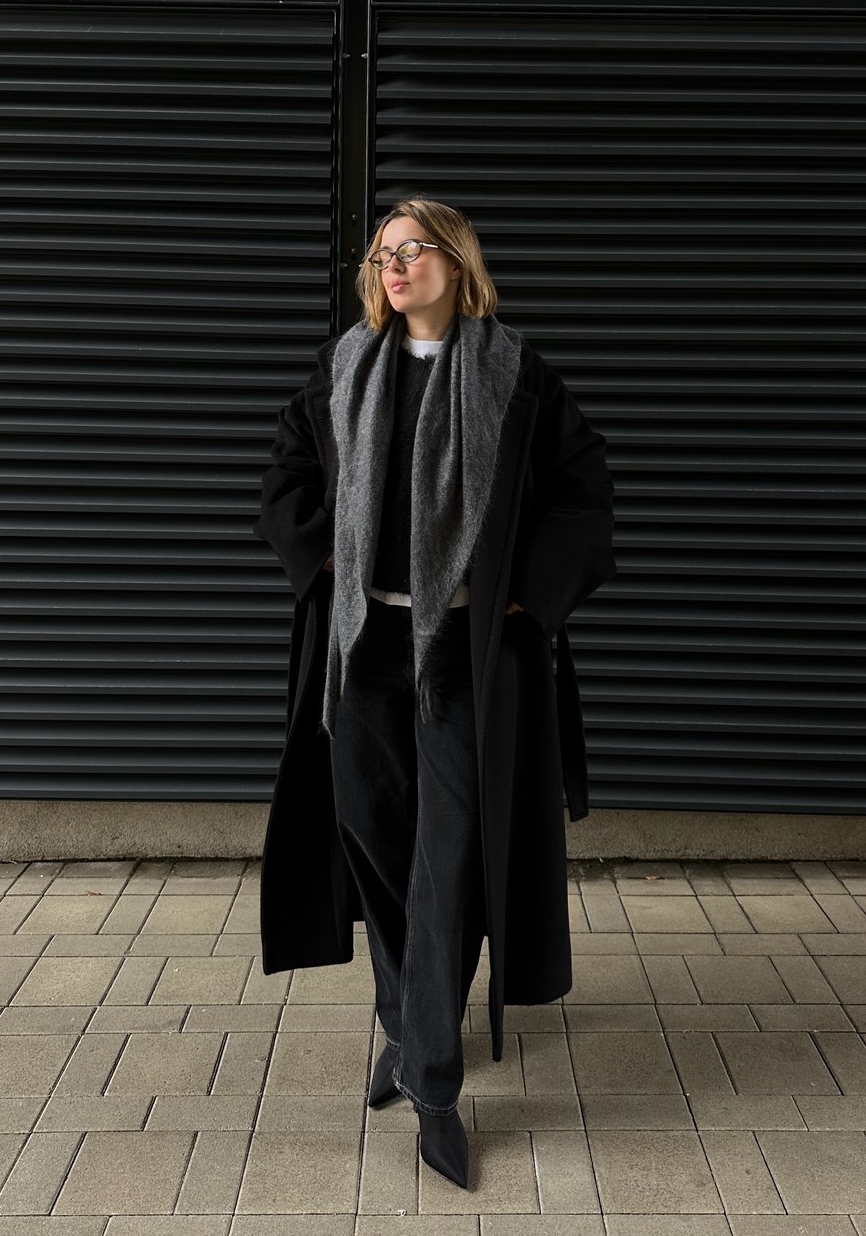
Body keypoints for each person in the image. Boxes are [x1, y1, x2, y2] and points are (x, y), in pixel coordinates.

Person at [252, 196, 615, 1190]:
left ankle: (436, 1086)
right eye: (382, 252)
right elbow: (286, 477)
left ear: (457, 262)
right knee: (373, 840)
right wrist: (326, 561)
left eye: (413, 248)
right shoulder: (344, 367)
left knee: (450, 858)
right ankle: (407, 1022)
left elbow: (584, 491)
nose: (394, 263)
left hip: (464, 651)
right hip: (365, 642)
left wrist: (524, 595)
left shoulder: (513, 373)